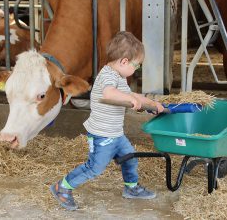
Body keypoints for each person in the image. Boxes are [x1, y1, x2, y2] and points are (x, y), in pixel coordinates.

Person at [50, 31, 165, 210]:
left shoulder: (119, 76)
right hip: (102, 135)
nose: (137, 69)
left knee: (130, 158)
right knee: (94, 168)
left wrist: (151, 103)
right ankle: (62, 187)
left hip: (116, 134)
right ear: (124, 61)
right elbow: (109, 93)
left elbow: (130, 95)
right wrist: (131, 101)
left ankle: (131, 189)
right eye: (138, 65)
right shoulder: (107, 76)